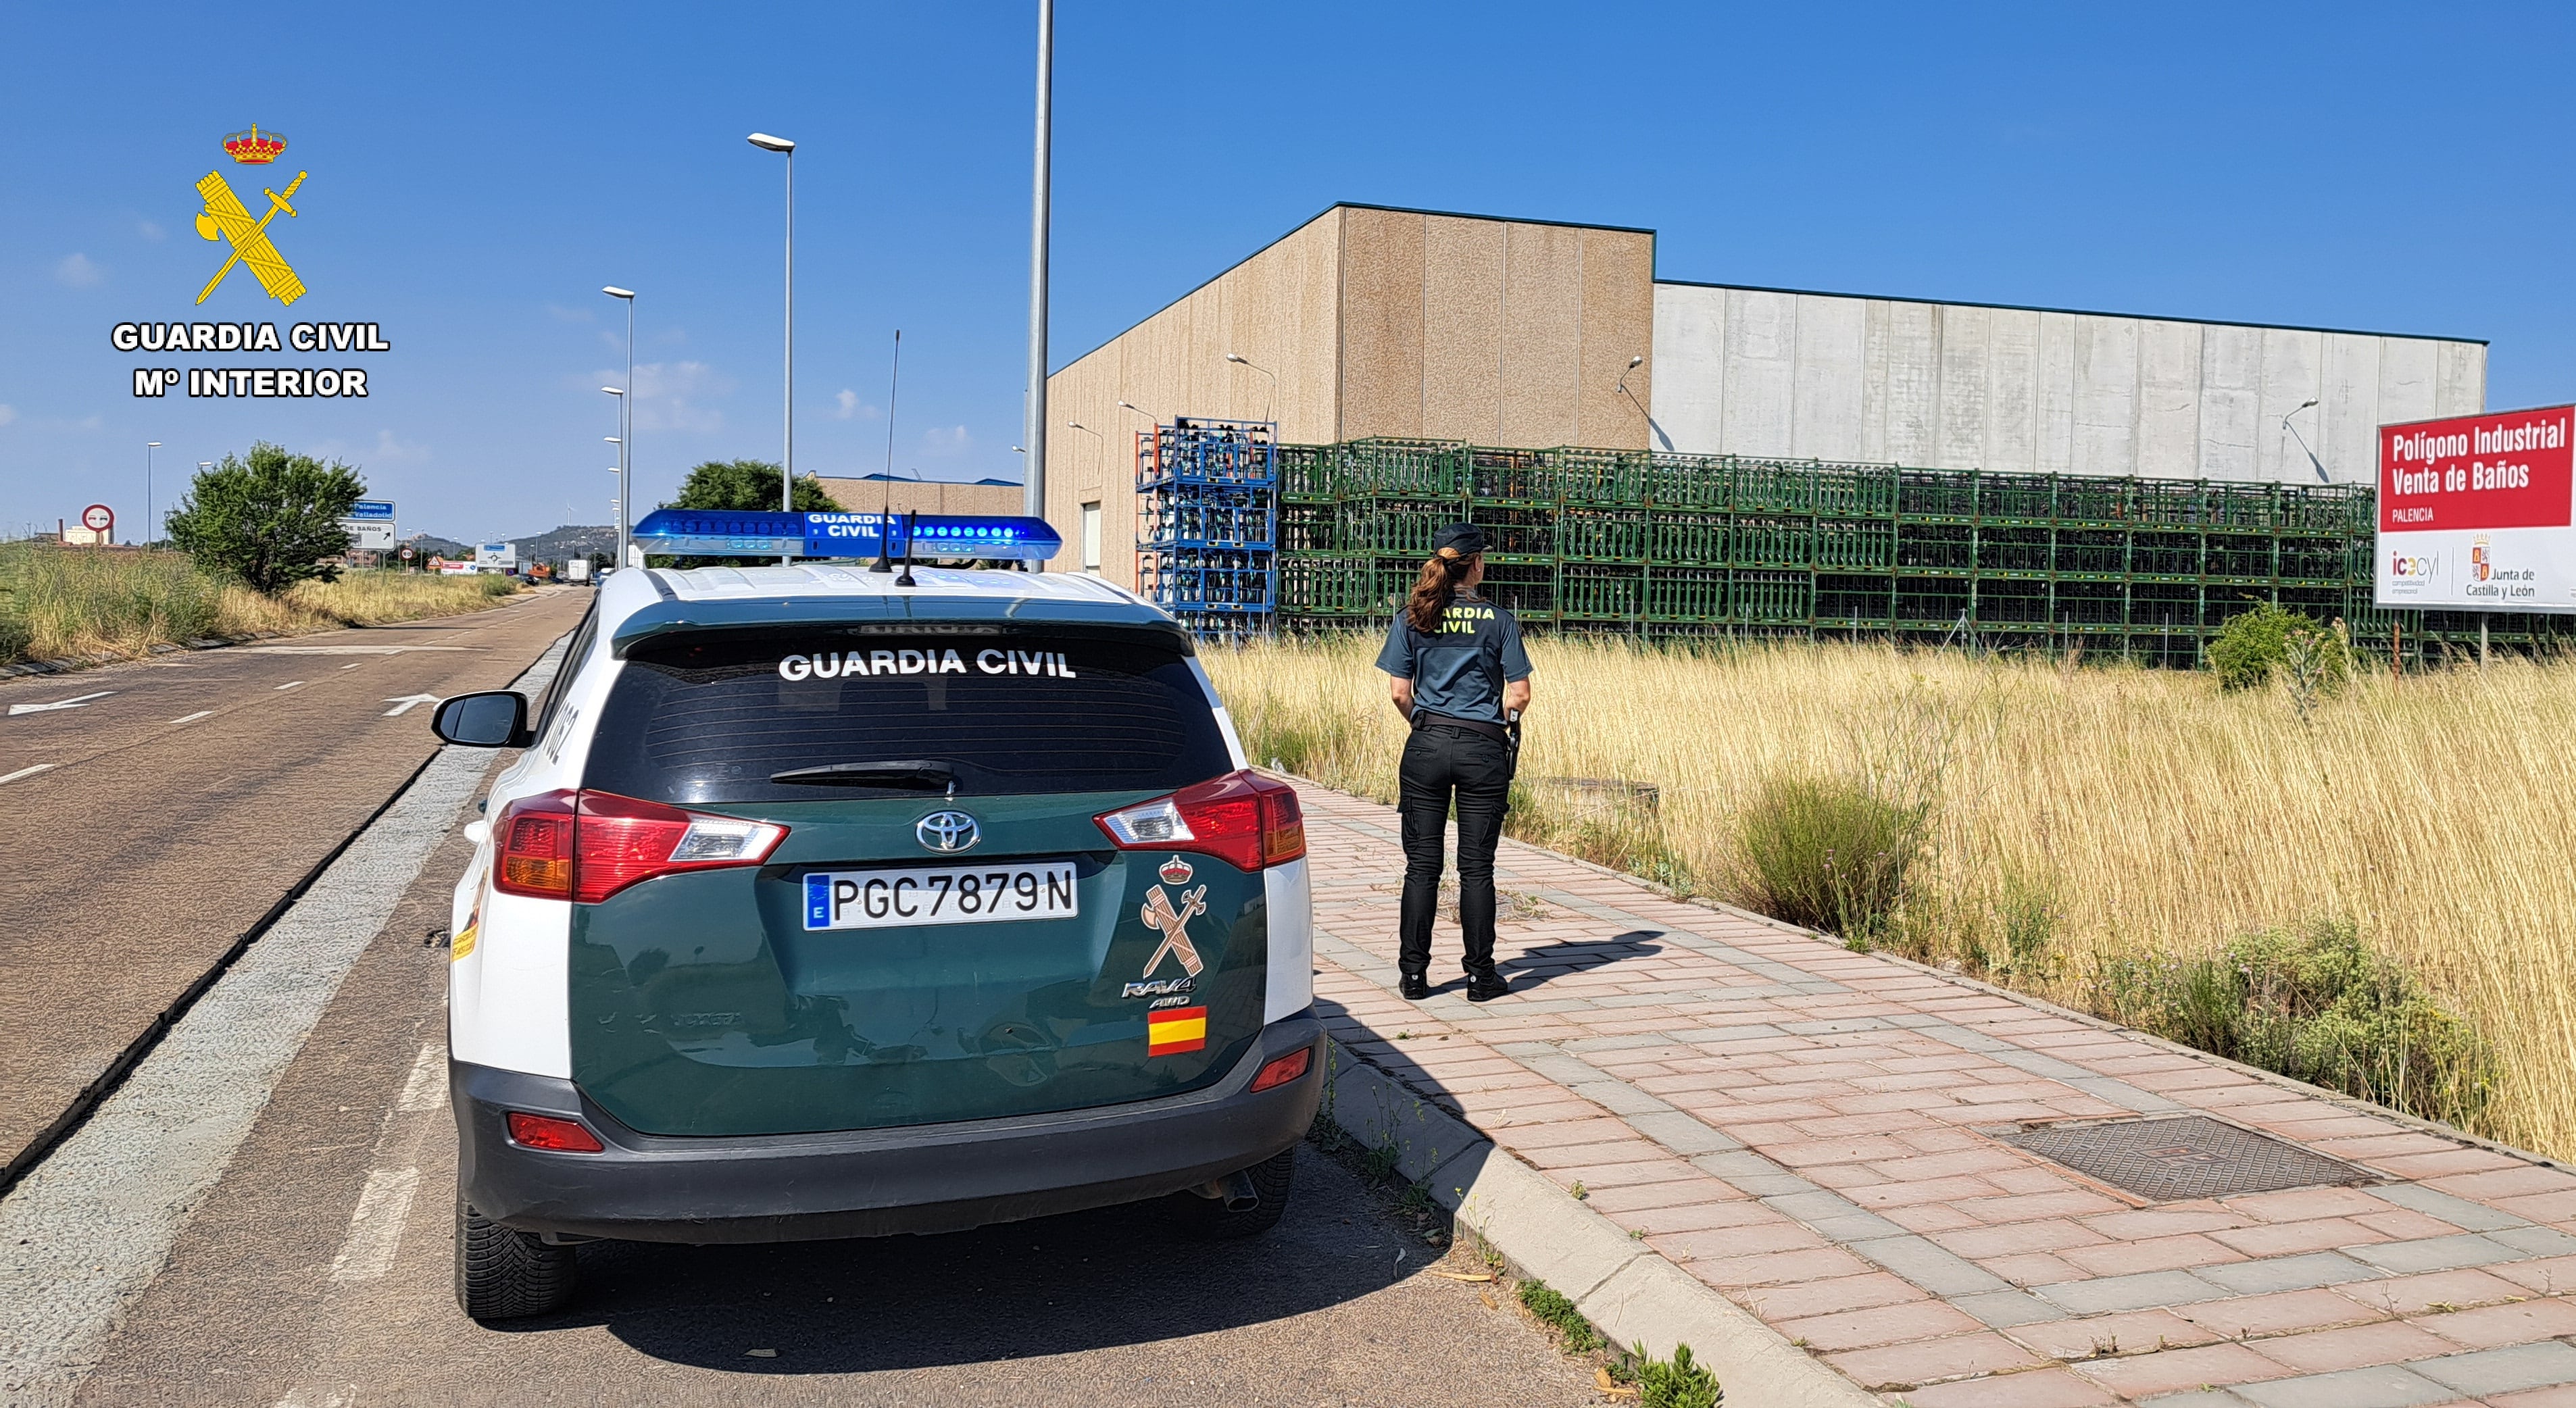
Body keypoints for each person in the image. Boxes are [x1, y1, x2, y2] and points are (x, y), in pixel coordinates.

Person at [1374, 523, 1533, 1002]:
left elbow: (1399, 692)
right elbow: (1520, 694)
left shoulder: (1413, 616)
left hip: (1425, 744)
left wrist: (1423, 723)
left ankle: (1414, 976)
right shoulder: (1500, 620)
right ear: (1476, 564)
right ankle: (1480, 977)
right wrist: (1502, 720)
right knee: (1476, 868)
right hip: (1482, 749)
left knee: (1422, 866)